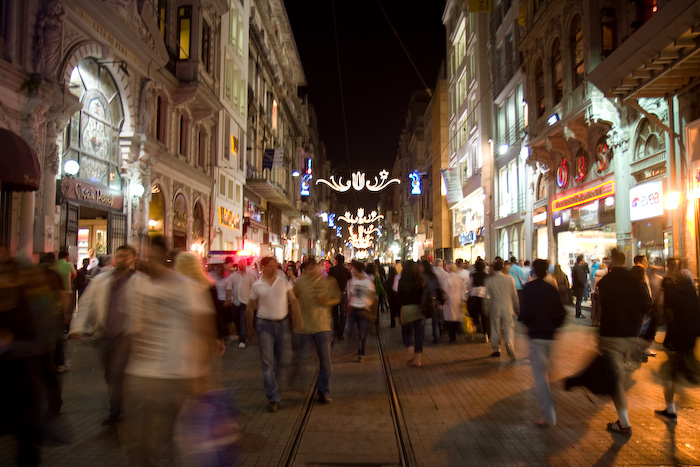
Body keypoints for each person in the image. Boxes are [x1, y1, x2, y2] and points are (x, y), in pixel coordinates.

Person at [123, 237, 219, 464]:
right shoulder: (137, 287)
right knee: (141, 444)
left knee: (185, 441)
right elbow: (134, 332)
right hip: (142, 377)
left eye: (154, 258)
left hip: (177, 377)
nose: (148, 263)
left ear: (165, 259)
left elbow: (204, 329)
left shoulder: (185, 286)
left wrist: (202, 377)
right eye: (145, 258)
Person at [69, 245, 138, 426]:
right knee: (110, 374)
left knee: (117, 373)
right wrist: (77, 327)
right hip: (104, 335)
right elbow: (86, 304)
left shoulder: (139, 281)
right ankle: (120, 405)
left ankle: (116, 411)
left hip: (126, 335)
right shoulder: (101, 280)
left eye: (126, 256)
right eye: (120, 255)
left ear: (133, 259)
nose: (122, 259)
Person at [596, 250, 651, 435]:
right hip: (629, 335)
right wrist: (644, 335)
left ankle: (624, 423)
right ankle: (623, 420)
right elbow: (647, 305)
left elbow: (602, 305)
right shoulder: (635, 280)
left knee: (616, 380)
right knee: (617, 376)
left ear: (612, 261)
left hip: (611, 335)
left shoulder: (606, 282)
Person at [246, 256, 302, 413]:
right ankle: (273, 397)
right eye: (270, 266)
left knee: (284, 360)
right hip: (264, 326)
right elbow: (250, 307)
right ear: (263, 267)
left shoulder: (283, 281)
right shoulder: (257, 285)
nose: (274, 268)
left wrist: (299, 320)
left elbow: (294, 300)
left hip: (282, 324)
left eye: (275, 265)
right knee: (267, 363)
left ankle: (273, 385)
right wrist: (250, 329)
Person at [520, 259, 566, 426]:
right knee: (549, 373)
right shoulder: (551, 289)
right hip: (550, 336)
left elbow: (523, 313)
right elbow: (561, 313)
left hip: (537, 337)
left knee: (540, 377)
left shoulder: (528, 289)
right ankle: (551, 406)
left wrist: (531, 326)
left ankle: (548, 415)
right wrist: (554, 327)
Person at [655, 258, 700, 421]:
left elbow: (668, 312)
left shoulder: (672, 289)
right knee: (678, 370)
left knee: (670, 375)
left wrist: (671, 337)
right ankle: (670, 408)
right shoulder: (691, 292)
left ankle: (671, 409)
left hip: (680, 338)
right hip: (689, 338)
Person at [293, 258, 340, 403]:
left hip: (322, 326)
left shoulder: (328, 281)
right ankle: (299, 384)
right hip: (305, 327)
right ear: (306, 269)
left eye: (315, 267)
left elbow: (337, 298)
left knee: (326, 363)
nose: (314, 270)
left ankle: (323, 391)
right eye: (310, 268)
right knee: (302, 359)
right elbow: (293, 298)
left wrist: (327, 302)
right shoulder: (300, 282)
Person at [485, 257, 519, 360]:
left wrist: (486, 308)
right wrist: (516, 307)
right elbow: (514, 295)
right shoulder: (509, 280)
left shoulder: (489, 281)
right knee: (508, 327)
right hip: (508, 307)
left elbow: (487, 296)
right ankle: (509, 343)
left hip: (495, 307)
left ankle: (496, 349)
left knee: (495, 328)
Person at [346, 261, 376, 362]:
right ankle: (355, 347)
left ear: (357, 270)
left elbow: (372, 295)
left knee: (362, 333)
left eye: (352, 268)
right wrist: (348, 307)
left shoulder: (368, 282)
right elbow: (350, 295)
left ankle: (361, 353)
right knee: (350, 331)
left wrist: (370, 307)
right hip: (353, 309)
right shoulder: (352, 281)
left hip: (363, 309)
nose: (351, 270)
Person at [398, 261, 425, 367]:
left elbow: (399, 298)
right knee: (419, 335)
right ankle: (418, 360)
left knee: (407, 332)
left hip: (406, 309)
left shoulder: (402, 281)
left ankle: (410, 348)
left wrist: (398, 312)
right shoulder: (420, 280)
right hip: (418, 309)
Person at [227, 259, 256, 349]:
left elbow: (253, 288)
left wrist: (253, 301)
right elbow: (229, 287)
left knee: (243, 320)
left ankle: (242, 340)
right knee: (236, 320)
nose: (242, 265)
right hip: (235, 301)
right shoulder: (233, 276)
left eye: (244, 263)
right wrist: (228, 298)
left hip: (245, 301)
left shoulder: (250, 276)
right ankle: (240, 334)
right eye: (240, 263)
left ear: (246, 265)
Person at [328, 254, 352, 340]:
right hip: (343, 293)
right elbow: (350, 279)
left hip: (334, 293)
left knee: (334, 312)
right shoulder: (346, 270)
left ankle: (336, 328)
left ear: (336, 260)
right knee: (343, 314)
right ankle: (341, 333)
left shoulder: (332, 270)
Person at [420, 259, 443, 344]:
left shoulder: (422, 277)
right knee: (435, 321)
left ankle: (421, 338)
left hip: (425, 301)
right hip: (435, 300)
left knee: (422, 321)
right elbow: (438, 288)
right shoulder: (434, 276)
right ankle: (436, 338)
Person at [442, 264, 467, 342]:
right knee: (458, 317)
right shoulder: (460, 279)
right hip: (459, 299)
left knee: (450, 318)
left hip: (450, 299)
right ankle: (459, 332)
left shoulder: (448, 279)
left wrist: (444, 298)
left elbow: (445, 290)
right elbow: (464, 290)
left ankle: (452, 336)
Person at [467, 259, 489, 340]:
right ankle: (486, 335)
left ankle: (472, 334)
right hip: (484, 297)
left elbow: (469, 287)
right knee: (485, 317)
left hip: (474, 297)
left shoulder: (473, 275)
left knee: (473, 316)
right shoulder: (486, 276)